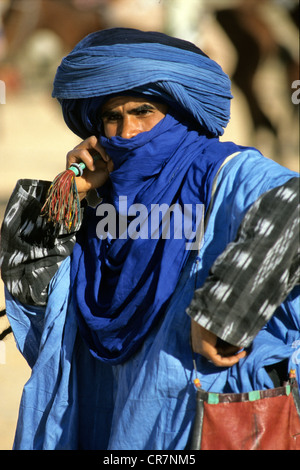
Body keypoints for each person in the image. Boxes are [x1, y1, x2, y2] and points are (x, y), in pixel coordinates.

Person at [0, 28, 299, 450]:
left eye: (144, 113)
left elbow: (293, 206)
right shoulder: (100, 208)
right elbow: (37, 318)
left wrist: (222, 312)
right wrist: (67, 201)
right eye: (112, 118)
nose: (128, 134)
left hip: (200, 425)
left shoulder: (223, 173)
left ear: (180, 113)